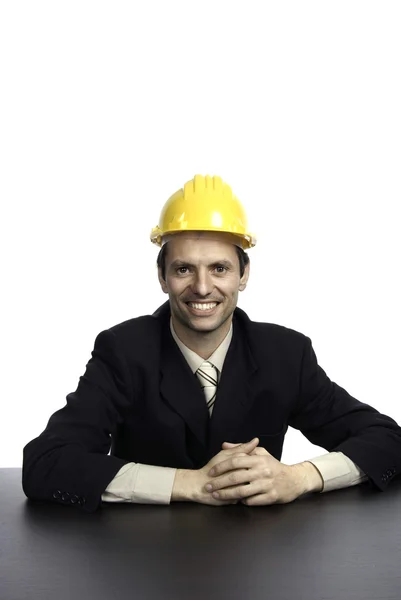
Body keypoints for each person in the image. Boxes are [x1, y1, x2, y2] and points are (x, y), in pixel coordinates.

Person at [23, 174, 401, 512]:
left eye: (219, 268)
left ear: (243, 275)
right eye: (184, 269)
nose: (202, 287)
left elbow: (386, 440)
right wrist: (190, 483)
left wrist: (299, 477)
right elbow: (46, 462)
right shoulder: (123, 351)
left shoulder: (286, 355)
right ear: (162, 277)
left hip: (259, 566)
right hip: (142, 563)